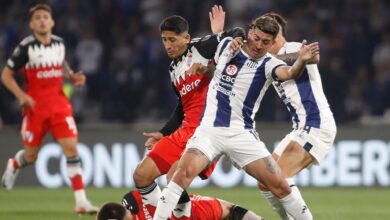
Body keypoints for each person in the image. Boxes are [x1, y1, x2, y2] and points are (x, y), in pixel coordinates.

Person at [153, 16, 320, 220]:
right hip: (209, 131)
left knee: (280, 186)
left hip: (241, 134)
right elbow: (216, 67)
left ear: (273, 42)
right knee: (180, 176)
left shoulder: (269, 64)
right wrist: (205, 69)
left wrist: (301, 60)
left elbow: (290, 73)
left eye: (266, 42)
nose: (259, 45)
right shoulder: (226, 46)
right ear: (250, 33)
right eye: (257, 38)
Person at [130, 6, 245, 212]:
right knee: (141, 175)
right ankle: (174, 213)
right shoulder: (173, 69)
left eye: (172, 40)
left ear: (186, 38)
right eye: (164, 40)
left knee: (174, 177)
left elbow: (238, 32)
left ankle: (181, 213)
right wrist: (163, 133)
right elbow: (182, 107)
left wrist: (232, 39)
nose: (168, 45)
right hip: (184, 130)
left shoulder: (201, 47)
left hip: (205, 130)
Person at [0, 4, 98, 215]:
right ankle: (14, 164)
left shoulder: (59, 44)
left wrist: (71, 76)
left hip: (59, 105)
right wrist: (22, 96)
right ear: (32, 24)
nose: (43, 20)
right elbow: (6, 75)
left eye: (46, 17)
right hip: (35, 108)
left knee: (71, 149)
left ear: (52, 22)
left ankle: (81, 201)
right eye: (38, 18)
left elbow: (60, 63)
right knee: (31, 156)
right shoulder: (25, 47)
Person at [253, 13, 337, 220]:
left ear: (276, 32)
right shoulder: (268, 61)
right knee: (264, 180)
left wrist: (268, 60)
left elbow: (312, 56)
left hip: (316, 124)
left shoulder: (291, 48)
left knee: (279, 178)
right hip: (300, 127)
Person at [97, 190, 264, 220]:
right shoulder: (133, 201)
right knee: (229, 209)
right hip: (188, 211)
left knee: (228, 210)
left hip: (187, 210)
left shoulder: (133, 202)